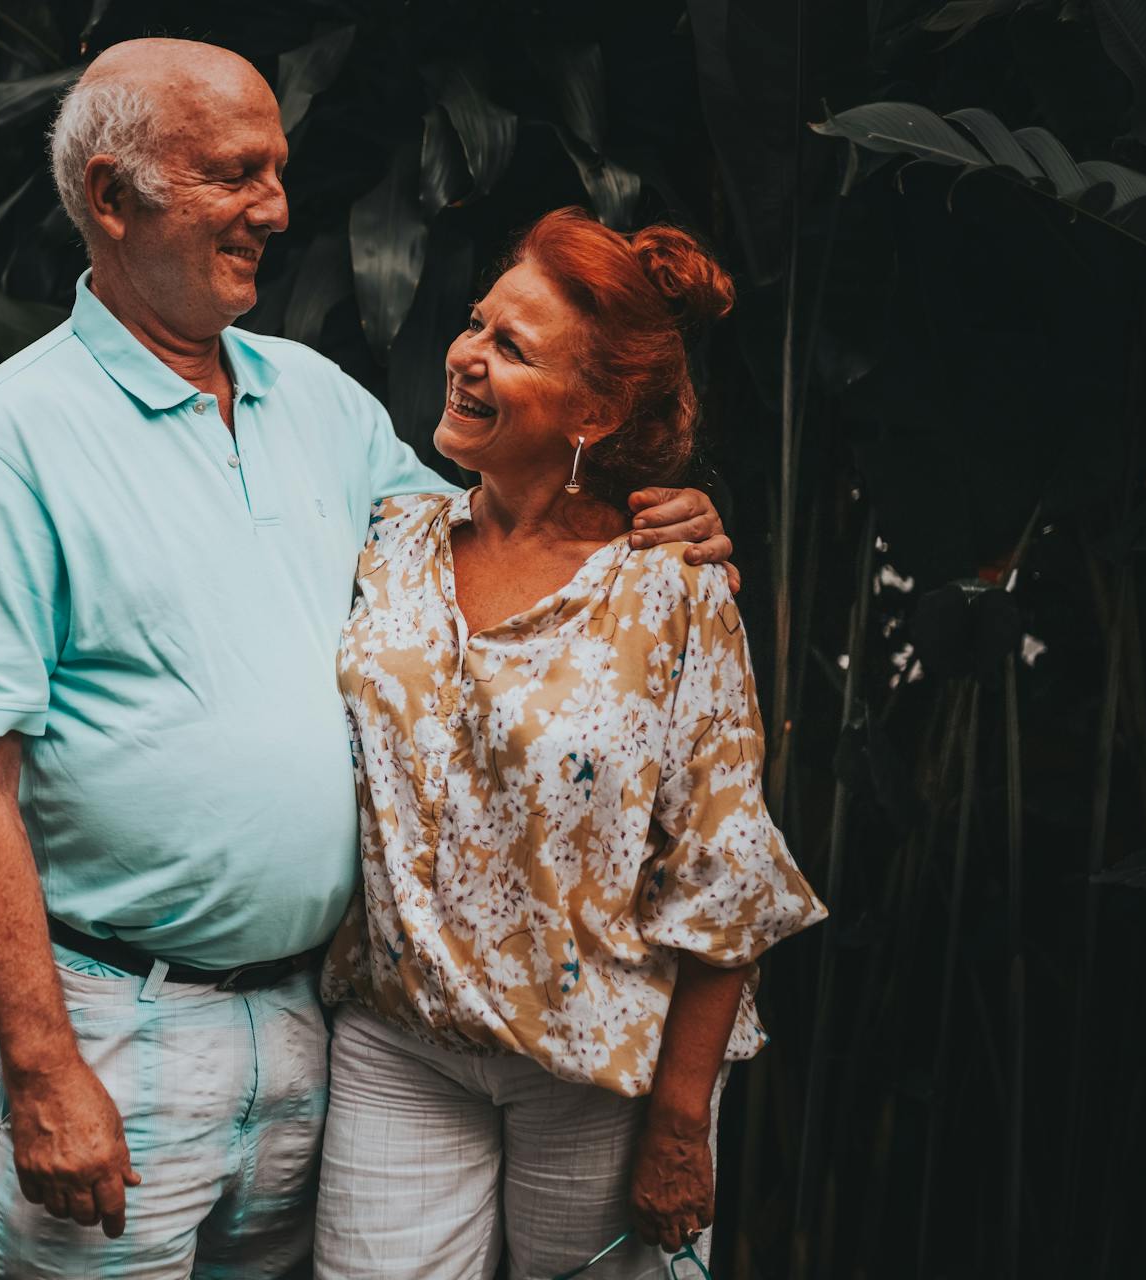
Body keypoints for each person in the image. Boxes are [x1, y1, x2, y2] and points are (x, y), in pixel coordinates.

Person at [0, 39, 738, 1279]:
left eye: (277, 171)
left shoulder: (321, 404)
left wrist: (651, 518)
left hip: (320, 1032)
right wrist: (41, 1064)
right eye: (236, 174)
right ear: (114, 197)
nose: (278, 210)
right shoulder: (9, 444)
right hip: (119, 1030)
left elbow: (500, 546)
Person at [311, 209, 827, 1280]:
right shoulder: (394, 542)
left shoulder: (671, 588)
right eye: (475, 324)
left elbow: (725, 874)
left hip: (603, 1075)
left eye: (512, 347)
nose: (466, 355)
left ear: (594, 409)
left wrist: (682, 1124)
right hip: (400, 1042)